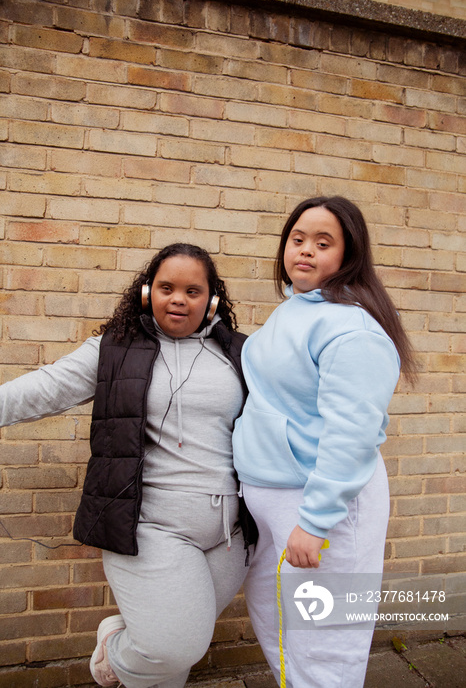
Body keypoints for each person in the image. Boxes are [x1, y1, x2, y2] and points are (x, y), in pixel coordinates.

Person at [0, 243, 257, 688]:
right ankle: (114, 652)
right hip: (150, 527)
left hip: (229, 533)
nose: (179, 298)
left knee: (175, 658)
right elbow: (44, 388)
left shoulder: (242, 353)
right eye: (167, 288)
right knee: (173, 646)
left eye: (193, 290)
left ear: (212, 299)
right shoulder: (114, 349)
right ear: (147, 293)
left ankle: (132, 642)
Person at [232, 196, 416, 688]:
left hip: (320, 508)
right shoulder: (293, 312)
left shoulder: (352, 329)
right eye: (297, 239)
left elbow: (351, 434)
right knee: (280, 633)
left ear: (348, 255)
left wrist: (315, 521)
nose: (306, 251)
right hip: (272, 503)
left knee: (326, 643)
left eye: (323, 242)